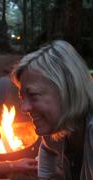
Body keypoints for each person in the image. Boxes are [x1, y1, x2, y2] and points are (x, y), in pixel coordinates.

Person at [12, 40, 93, 180]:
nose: (24, 108)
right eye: (22, 98)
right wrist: (45, 176)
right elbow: (47, 146)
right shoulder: (59, 123)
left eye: (33, 95)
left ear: (67, 90)